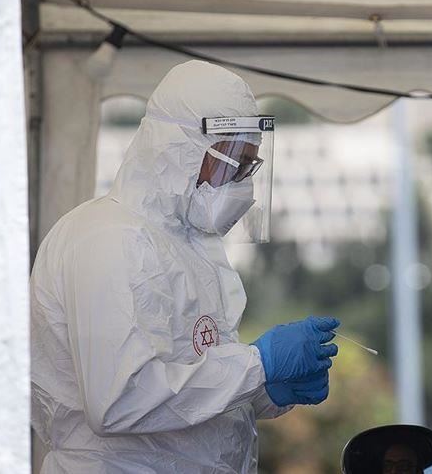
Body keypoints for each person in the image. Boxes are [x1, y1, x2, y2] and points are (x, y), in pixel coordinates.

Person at [30, 60, 339, 473]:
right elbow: (120, 401)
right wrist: (256, 365)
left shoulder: (186, 245)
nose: (243, 184)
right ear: (179, 149)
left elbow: (189, 386)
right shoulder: (107, 238)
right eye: (234, 162)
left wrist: (265, 390)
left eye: (250, 165)